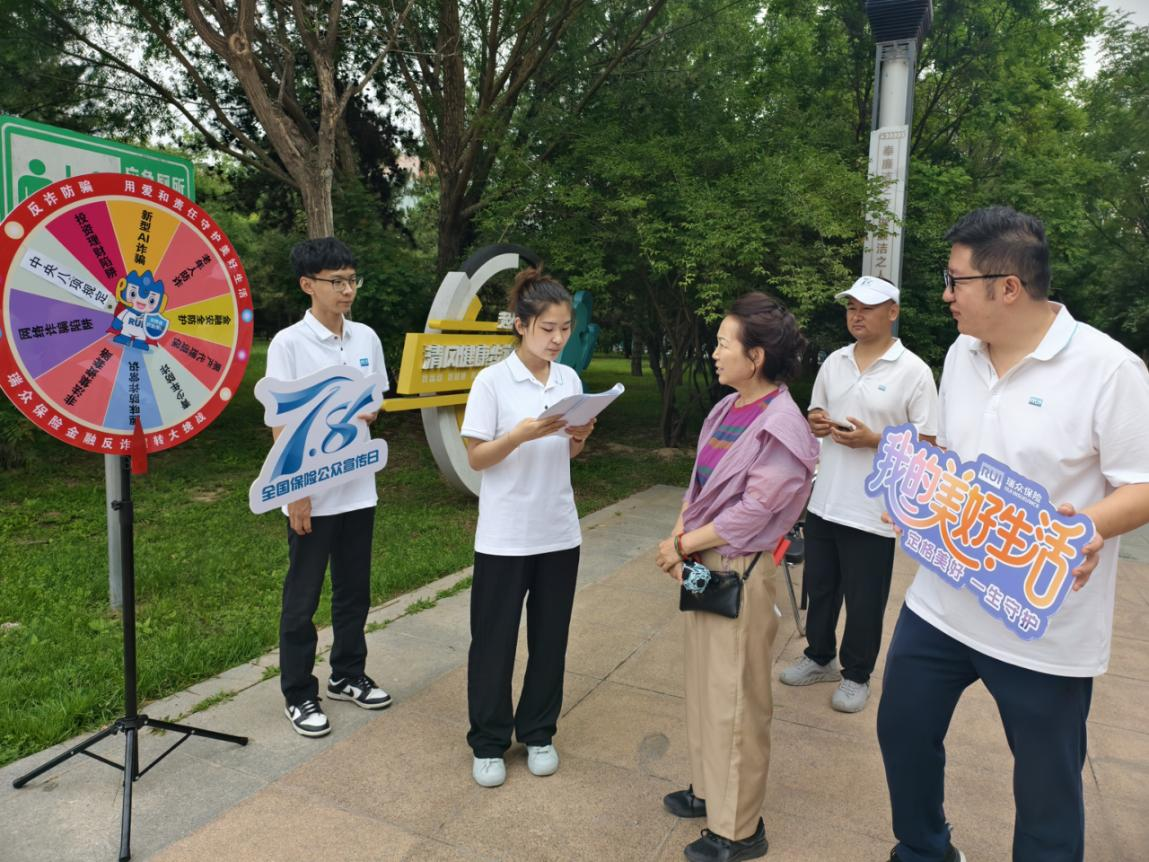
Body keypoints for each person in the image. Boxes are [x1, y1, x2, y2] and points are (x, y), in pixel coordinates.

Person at [877, 206, 1149, 862]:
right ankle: (924, 850)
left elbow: (1141, 484)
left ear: (1007, 287)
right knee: (902, 730)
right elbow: (956, 453)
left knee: (1046, 789)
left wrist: (1081, 529)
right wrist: (921, 489)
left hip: (1041, 622)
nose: (945, 294)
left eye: (955, 280)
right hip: (943, 601)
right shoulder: (960, 354)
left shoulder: (1108, 370)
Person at [656, 293, 819, 862]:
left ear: (756, 357)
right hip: (705, 566)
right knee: (706, 684)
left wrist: (682, 544)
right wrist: (680, 536)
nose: (715, 352)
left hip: (740, 569)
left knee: (738, 699)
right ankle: (709, 790)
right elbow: (699, 483)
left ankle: (739, 828)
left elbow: (753, 512)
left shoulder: (783, 425)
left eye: (724, 343)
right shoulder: (727, 408)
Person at [460, 266, 596, 788]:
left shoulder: (569, 380)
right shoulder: (492, 382)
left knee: (550, 639)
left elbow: (569, 454)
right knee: (493, 642)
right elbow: (477, 458)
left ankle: (539, 732)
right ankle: (488, 741)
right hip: (505, 535)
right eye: (548, 328)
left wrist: (579, 435)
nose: (558, 339)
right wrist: (518, 435)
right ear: (521, 325)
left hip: (558, 530)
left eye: (565, 328)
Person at [778, 275, 938, 713]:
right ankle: (819, 657)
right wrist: (816, 421)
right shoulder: (835, 361)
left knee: (865, 598)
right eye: (851, 307)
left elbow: (930, 444)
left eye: (867, 308)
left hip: (873, 508)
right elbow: (815, 411)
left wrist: (876, 440)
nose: (857, 315)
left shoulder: (914, 371)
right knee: (820, 587)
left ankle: (857, 675)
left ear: (893, 312)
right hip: (826, 499)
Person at [266, 237, 392, 738]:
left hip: (358, 486)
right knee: (303, 598)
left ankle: (347, 674)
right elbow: (281, 423)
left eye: (352, 280)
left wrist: (370, 409)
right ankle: (298, 692)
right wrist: (295, 490)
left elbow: (377, 397)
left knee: (353, 591)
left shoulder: (365, 338)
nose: (347, 290)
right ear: (308, 284)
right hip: (312, 491)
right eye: (336, 281)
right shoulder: (289, 344)